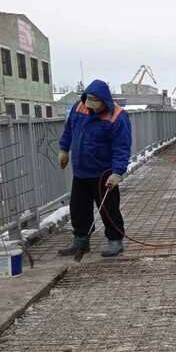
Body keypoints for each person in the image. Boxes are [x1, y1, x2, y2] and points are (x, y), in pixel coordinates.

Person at [57, 80, 133, 258]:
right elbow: (69, 130)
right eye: (88, 100)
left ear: (104, 100)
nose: (90, 106)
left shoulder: (117, 117)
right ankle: (80, 240)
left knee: (109, 208)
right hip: (81, 170)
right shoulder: (79, 108)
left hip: (103, 173)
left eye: (95, 102)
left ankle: (115, 240)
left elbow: (121, 147)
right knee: (78, 207)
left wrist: (117, 172)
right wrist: (63, 150)